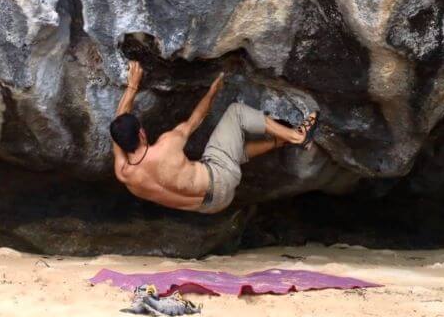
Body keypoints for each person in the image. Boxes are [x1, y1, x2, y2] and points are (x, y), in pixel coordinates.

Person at [110, 61, 318, 214]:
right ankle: (296, 136)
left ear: (120, 145)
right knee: (236, 112)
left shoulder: (124, 173)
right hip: (219, 177)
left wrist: (132, 87)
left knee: (229, 153)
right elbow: (196, 119)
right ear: (142, 133)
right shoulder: (167, 145)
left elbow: (118, 124)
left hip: (212, 205)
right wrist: (212, 92)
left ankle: (277, 141)